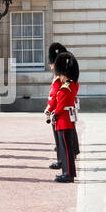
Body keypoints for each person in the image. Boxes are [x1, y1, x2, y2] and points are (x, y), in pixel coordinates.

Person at [49, 51, 79, 182]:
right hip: (66, 121)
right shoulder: (72, 84)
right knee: (66, 148)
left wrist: (54, 113)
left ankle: (68, 174)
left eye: (60, 74)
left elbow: (60, 106)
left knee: (66, 149)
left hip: (64, 121)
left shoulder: (66, 87)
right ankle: (67, 172)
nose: (59, 77)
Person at [45, 41, 67, 169]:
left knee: (60, 140)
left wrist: (50, 110)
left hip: (57, 112)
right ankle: (60, 159)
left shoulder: (60, 78)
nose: (51, 66)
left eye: (52, 64)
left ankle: (61, 160)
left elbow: (55, 97)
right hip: (55, 111)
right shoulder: (57, 77)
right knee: (58, 139)